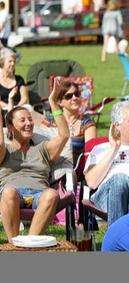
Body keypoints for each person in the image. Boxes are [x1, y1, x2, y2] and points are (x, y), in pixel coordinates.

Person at [0, 80, 70, 243]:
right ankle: (14, 243)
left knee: (52, 194)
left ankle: (29, 244)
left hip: (39, 194)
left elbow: (64, 136)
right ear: (11, 127)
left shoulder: (42, 148)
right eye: (22, 120)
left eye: (30, 119)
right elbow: (1, 143)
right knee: (9, 192)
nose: (29, 123)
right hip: (11, 194)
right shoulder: (5, 151)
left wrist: (53, 103)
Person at [57, 81, 96, 162]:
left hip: (78, 169)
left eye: (77, 94)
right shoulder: (54, 122)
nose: (74, 98)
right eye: (69, 96)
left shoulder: (87, 123)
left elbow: (91, 152)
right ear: (60, 102)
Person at [0, 48, 30, 123]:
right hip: (3, 110)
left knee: (28, 108)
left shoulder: (19, 79)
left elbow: (25, 98)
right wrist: (9, 107)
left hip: (18, 109)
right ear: (2, 62)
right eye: (10, 61)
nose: (13, 64)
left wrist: (15, 109)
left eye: (14, 61)